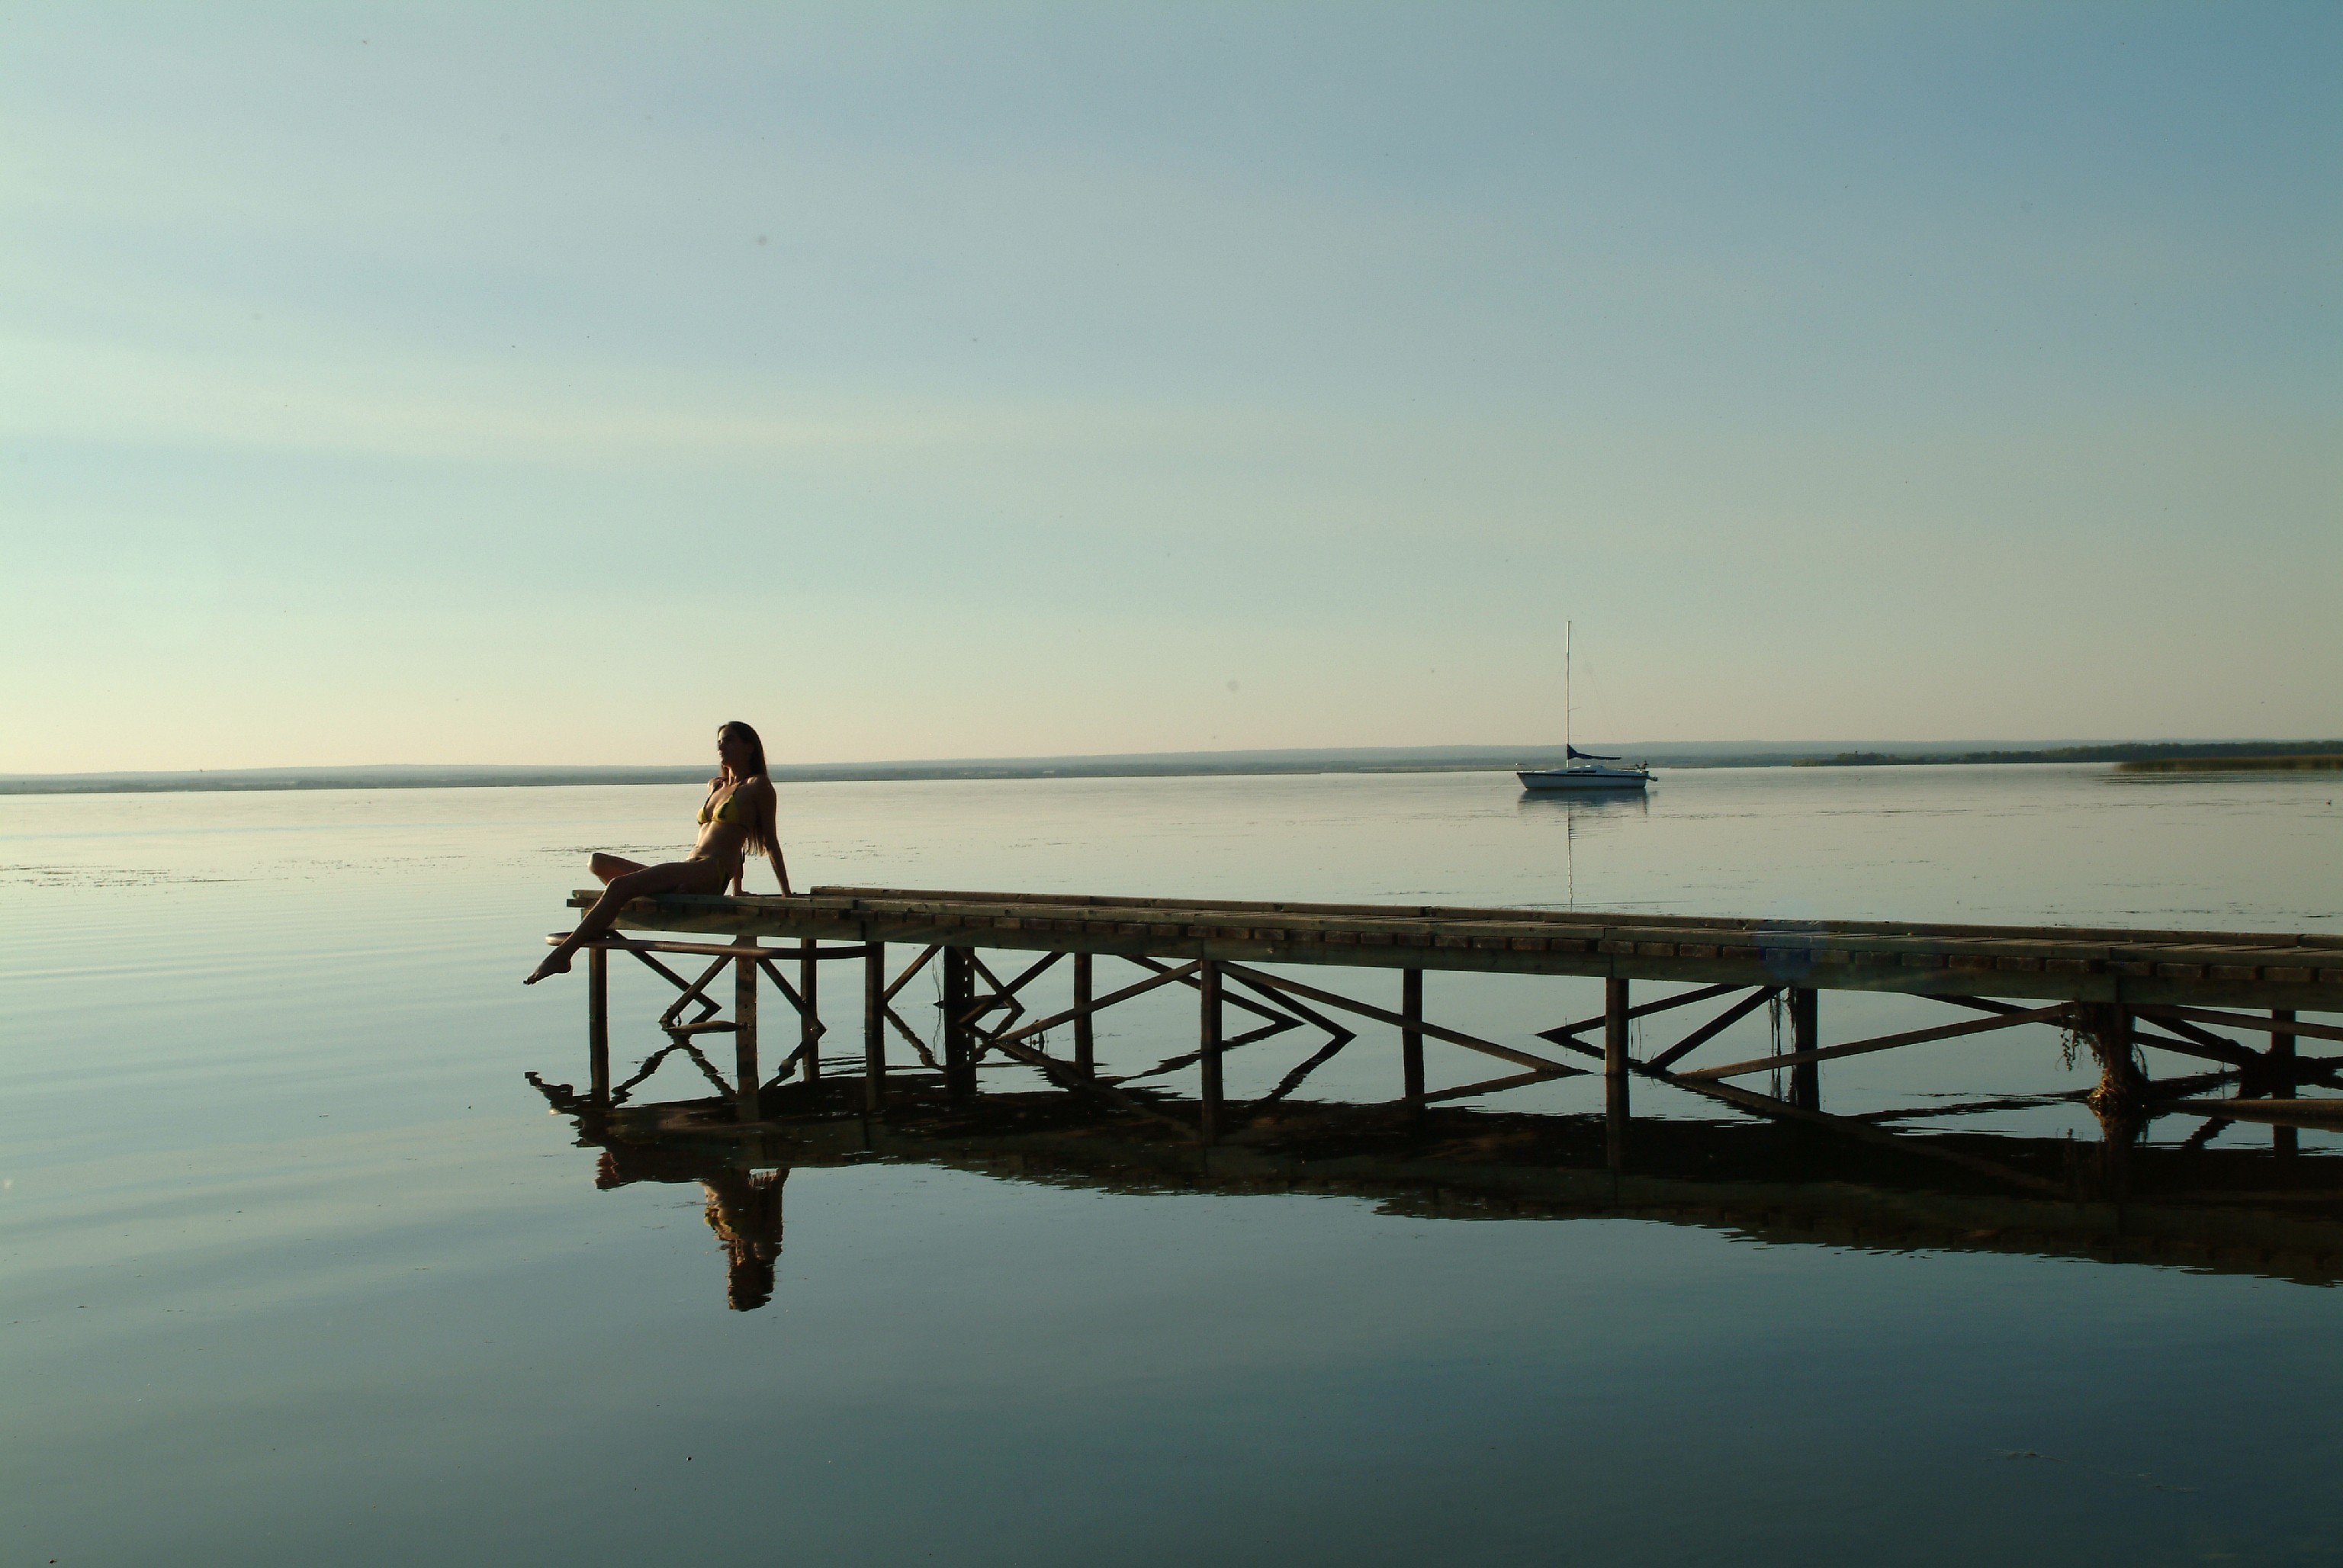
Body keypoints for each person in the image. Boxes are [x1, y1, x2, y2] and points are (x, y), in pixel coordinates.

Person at [525, 721, 792, 984]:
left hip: (710, 872)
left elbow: (765, 843)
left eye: (729, 740)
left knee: (619, 887)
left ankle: (563, 954)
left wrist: (785, 894)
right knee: (597, 862)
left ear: (749, 747)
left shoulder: (758, 786)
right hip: (690, 867)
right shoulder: (715, 786)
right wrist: (738, 888)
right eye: (720, 742)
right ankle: (651, 898)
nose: (722, 746)